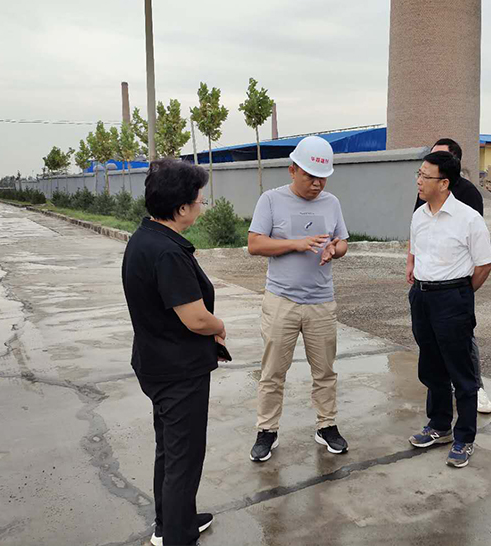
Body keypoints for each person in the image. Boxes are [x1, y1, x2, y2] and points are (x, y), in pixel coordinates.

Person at [121, 159, 224, 546]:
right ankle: (178, 536)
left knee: (169, 449)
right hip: (178, 372)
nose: (202, 207)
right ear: (181, 208)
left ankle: (169, 522)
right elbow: (195, 318)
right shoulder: (167, 253)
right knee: (184, 458)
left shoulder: (144, 238)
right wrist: (219, 325)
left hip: (156, 363)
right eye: (199, 201)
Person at [247, 135, 350, 463]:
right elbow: (255, 244)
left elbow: (343, 241)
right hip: (282, 301)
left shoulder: (331, 203)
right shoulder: (271, 200)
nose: (317, 184)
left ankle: (326, 425)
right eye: (310, 176)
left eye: (323, 178)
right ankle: (267, 430)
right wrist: (296, 243)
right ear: (292, 170)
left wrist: (334, 249)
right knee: (273, 372)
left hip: (321, 302)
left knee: (325, 371)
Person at [407, 151, 491, 468]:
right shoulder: (419, 215)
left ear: (444, 183)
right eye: (419, 174)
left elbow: (485, 264)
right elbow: (416, 252)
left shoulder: (469, 219)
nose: (419, 181)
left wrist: (459, 294)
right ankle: (439, 425)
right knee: (431, 366)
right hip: (422, 297)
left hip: (452, 298)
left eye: (425, 176)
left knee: (461, 371)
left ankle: (464, 438)